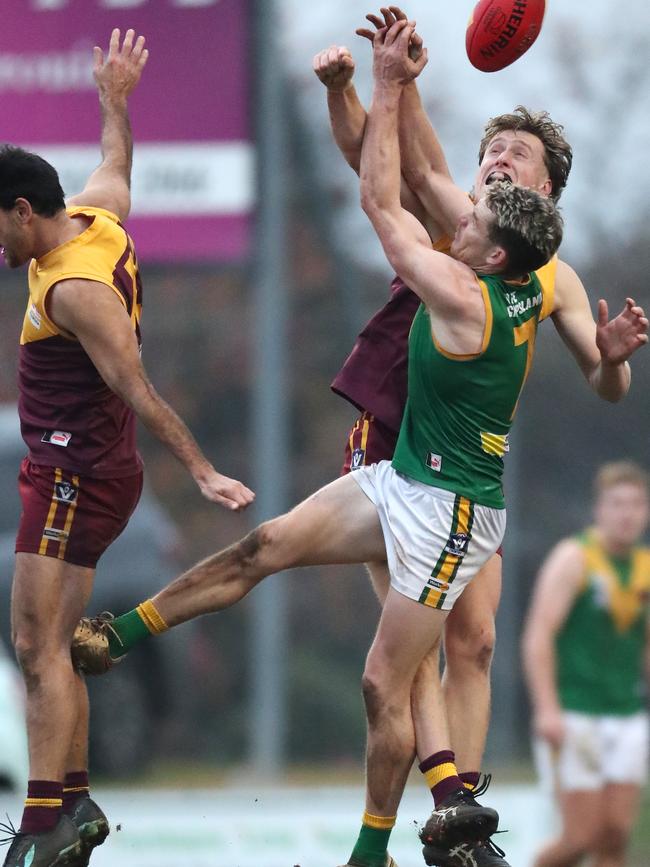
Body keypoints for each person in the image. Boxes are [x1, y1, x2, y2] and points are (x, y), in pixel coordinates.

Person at [71, 21, 573, 867]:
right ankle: (122, 634)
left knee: (398, 675)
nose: (463, 202)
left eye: (482, 203)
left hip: (451, 511)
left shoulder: (465, 291)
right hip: (405, 470)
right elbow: (410, 172)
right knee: (265, 546)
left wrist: (385, 81)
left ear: (494, 248)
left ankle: (403, 837)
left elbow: (387, 197)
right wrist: (374, 91)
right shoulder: (514, 264)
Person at [313, 6, 648, 864]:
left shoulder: (559, 278)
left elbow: (609, 388)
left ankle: (448, 802)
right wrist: (389, 81)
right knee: (413, 647)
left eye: (518, 153)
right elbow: (385, 155)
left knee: (479, 639)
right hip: (393, 438)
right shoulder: (461, 216)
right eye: (491, 147)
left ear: (547, 188)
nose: (496, 158)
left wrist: (612, 361)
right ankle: (450, 810)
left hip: (468, 474)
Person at [0, 29, 254, 867]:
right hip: (74, 468)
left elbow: (136, 386)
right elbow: (117, 162)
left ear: (25, 212)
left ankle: (45, 823)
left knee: (36, 645)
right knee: (53, 644)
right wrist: (117, 99)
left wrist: (204, 470)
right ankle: (71, 808)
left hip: (76, 473)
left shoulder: (75, 287)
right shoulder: (98, 216)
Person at [523, 462, 650, 867]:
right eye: (617, 504)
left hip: (627, 714)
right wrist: (546, 708)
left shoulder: (646, 567)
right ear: (598, 509)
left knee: (615, 835)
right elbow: (538, 635)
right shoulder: (575, 557)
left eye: (635, 504)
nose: (626, 514)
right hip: (575, 713)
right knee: (580, 838)